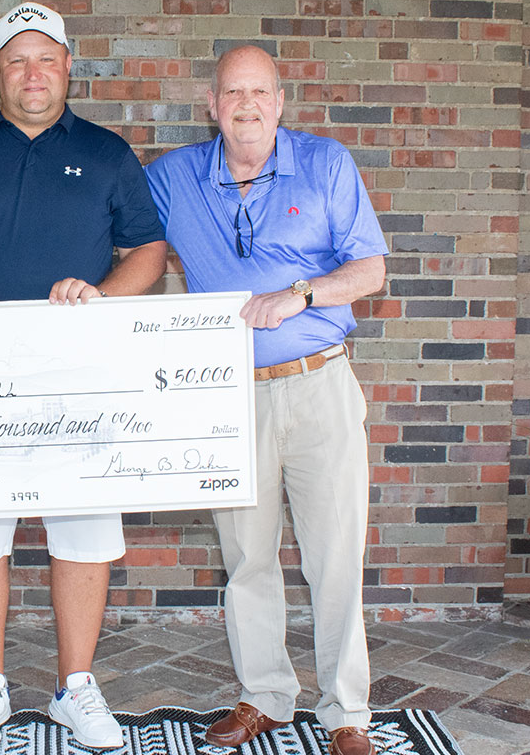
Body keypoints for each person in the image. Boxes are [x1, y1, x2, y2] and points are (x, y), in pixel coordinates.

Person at [0, 2, 167, 750]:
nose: (33, 73)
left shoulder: (108, 153)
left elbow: (148, 249)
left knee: (82, 529)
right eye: (17, 59)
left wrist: (101, 296)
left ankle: (74, 687)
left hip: (79, 376)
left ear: (68, 66)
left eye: (46, 58)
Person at [144, 46, 387, 755]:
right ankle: (266, 696)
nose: (246, 105)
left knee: (334, 557)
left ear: (280, 102)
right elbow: (125, 240)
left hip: (319, 384)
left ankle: (346, 712)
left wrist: (300, 294)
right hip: (231, 396)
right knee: (247, 556)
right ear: (211, 105)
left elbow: (370, 270)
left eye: (259, 92)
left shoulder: (326, 163)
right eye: (232, 93)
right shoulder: (173, 177)